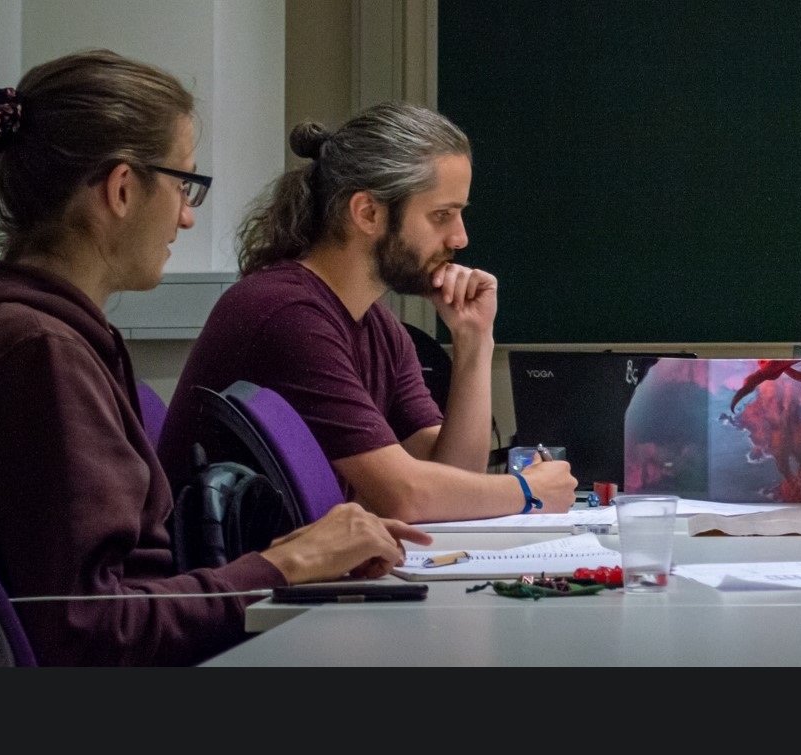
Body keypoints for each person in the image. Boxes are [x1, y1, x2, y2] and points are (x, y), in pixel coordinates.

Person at [0, 50, 428, 666]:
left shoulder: (32, 333)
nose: (186, 217)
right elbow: (92, 630)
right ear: (122, 189)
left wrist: (290, 557)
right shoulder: (39, 353)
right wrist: (284, 566)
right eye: (185, 185)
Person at [158, 102, 578, 523]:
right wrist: (528, 490)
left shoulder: (378, 327)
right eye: (442, 215)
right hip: (237, 567)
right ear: (368, 213)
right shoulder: (287, 313)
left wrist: (474, 339)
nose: (460, 238)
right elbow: (404, 496)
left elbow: (452, 479)